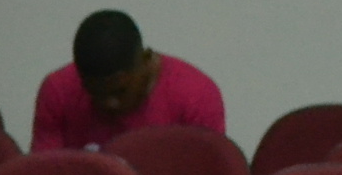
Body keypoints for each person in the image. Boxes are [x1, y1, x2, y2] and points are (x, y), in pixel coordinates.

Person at [30, 9, 224, 152]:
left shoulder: (195, 97)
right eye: (95, 93)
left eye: (120, 91)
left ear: (146, 61)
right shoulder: (58, 91)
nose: (109, 103)